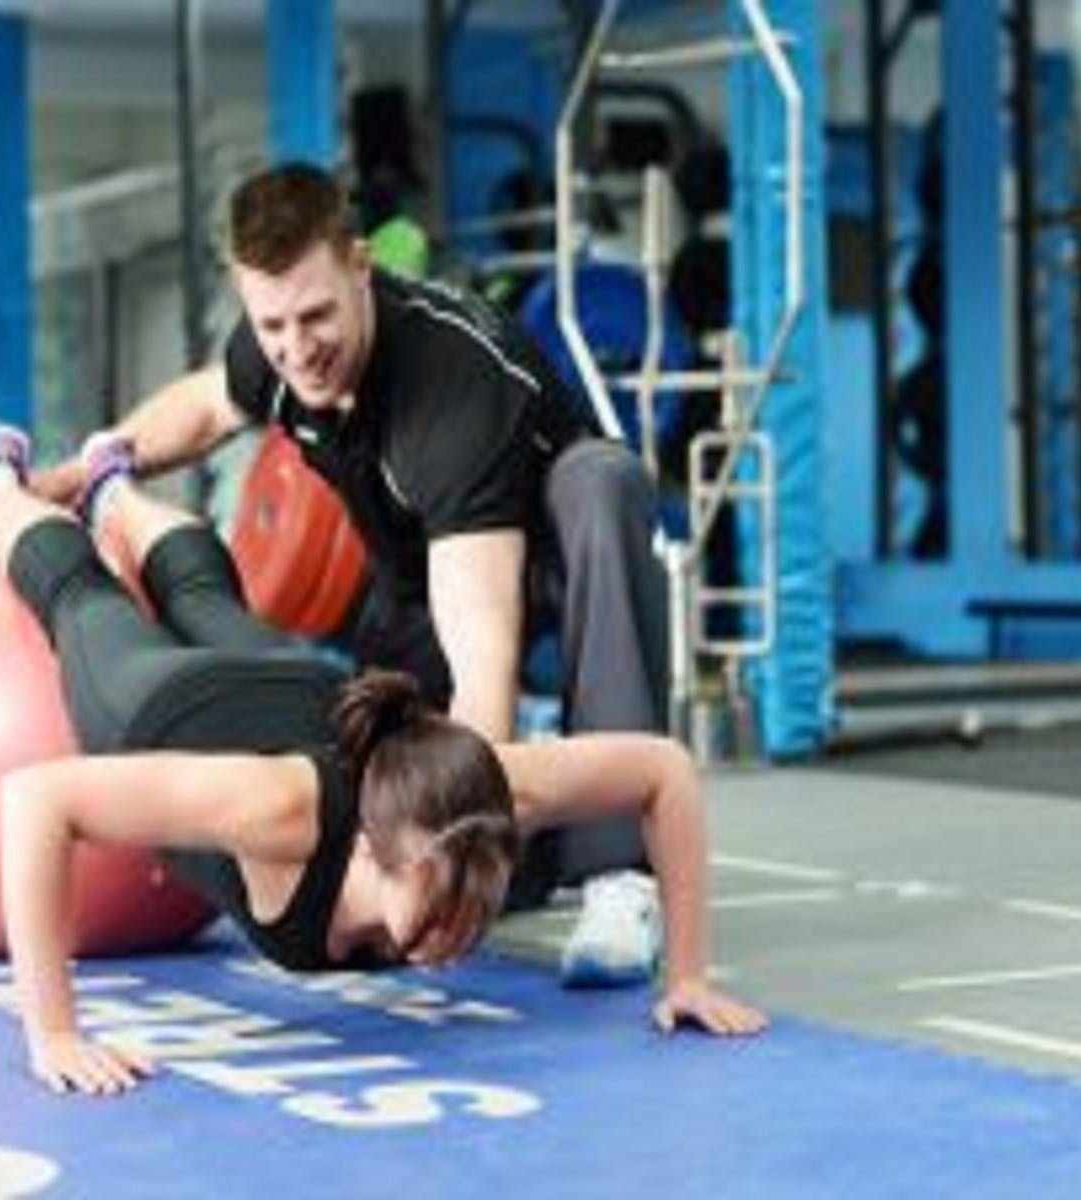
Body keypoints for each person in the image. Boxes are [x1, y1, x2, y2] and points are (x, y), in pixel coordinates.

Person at [0, 423, 766, 1096]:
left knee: (207, 597)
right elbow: (36, 799)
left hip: (300, 690)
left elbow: (664, 770)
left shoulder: (475, 796)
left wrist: (686, 975)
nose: (457, 935)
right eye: (442, 910)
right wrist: (52, 1032)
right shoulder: (276, 810)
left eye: (473, 912)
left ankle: (113, 487)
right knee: (83, 599)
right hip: (172, 707)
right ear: (373, 844)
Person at [33, 162, 672, 988]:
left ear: (361, 265)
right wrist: (73, 477)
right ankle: (538, 840)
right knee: (371, 766)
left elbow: (482, 644)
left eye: (316, 317)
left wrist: (443, 865)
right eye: (273, 327)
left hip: (539, 553)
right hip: (411, 581)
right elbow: (201, 406)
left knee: (603, 481)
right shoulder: (282, 345)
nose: (298, 349)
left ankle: (618, 874)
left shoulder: (448, 388)